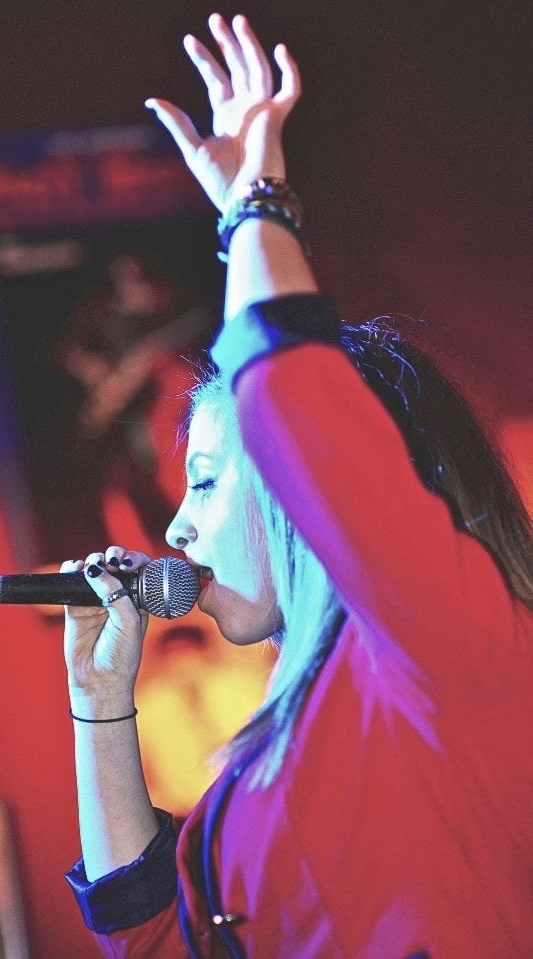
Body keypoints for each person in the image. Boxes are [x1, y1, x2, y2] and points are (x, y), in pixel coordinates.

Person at [60, 14, 533, 958]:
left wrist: (254, 205)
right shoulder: (274, 750)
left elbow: (295, 400)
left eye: (204, 482)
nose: (177, 531)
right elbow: (155, 939)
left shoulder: (442, 644)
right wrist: (100, 704)